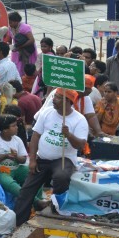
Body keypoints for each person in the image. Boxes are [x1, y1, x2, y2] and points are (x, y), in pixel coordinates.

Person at [15, 89, 89, 225]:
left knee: (61, 176)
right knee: (26, 191)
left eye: (58, 98)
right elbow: (35, 136)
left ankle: (56, 212)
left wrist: (69, 135)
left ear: (68, 101)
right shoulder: (47, 112)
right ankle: (18, 223)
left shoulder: (79, 120)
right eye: (54, 96)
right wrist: (32, 160)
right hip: (42, 159)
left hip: (63, 160)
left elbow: (80, 145)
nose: (53, 99)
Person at [0, 114, 34, 202]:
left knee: (34, 175)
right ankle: (36, 202)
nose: (17, 127)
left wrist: (16, 157)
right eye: (13, 126)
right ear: (5, 129)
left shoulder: (17, 140)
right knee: (12, 184)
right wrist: (5, 156)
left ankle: (39, 199)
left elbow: (23, 159)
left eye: (16, 125)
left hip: (16, 168)